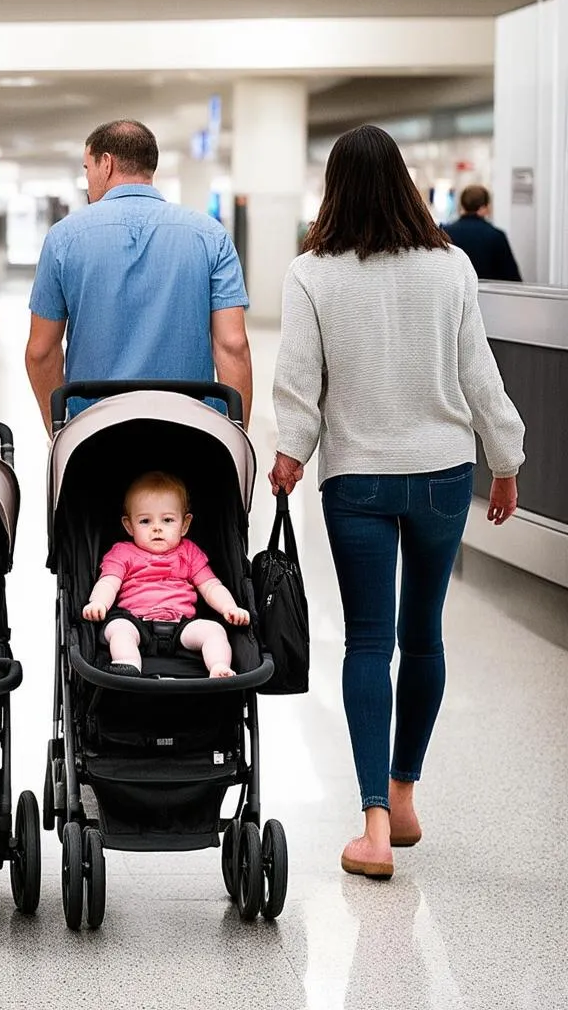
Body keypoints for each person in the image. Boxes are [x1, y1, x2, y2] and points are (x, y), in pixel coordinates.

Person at [269, 125, 526, 881]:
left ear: (335, 188)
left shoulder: (311, 271)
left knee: (369, 644)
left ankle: (374, 826)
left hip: (359, 480)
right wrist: (505, 461)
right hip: (444, 474)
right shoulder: (451, 266)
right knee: (425, 638)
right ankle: (406, 792)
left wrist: (289, 454)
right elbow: (480, 375)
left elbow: (299, 383)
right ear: (407, 182)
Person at [25, 119, 252, 434]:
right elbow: (232, 345)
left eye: (86, 167)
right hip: (189, 429)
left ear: (106, 164)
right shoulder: (210, 236)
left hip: (95, 432)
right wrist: (233, 440)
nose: (87, 178)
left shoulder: (64, 238)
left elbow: (41, 352)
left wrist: (62, 431)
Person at [83, 472, 250, 678]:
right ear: (129, 526)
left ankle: (218, 666)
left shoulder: (189, 552)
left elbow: (211, 586)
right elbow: (109, 582)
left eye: (168, 520)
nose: (157, 528)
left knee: (214, 631)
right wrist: (98, 603)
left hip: (181, 624)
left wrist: (229, 607)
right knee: (117, 629)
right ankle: (127, 663)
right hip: (135, 620)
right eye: (145, 521)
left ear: (185, 524)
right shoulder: (122, 552)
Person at [442, 185, 522, 282]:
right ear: (485, 207)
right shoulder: (496, 236)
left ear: (462, 205)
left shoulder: (445, 233)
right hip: (488, 295)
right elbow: (512, 278)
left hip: (453, 295)